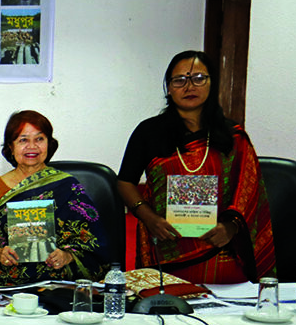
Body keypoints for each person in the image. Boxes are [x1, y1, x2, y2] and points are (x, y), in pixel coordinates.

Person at [117, 50, 275, 283]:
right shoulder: (148, 132)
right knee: (166, 302)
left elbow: (250, 194)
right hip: (166, 248)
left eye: (199, 78)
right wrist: (149, 218)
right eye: (179, 80)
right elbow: (125, 182)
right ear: (168, 88)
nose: (189, 86)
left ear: (212, 83)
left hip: (222, 249)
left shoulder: (233, 136)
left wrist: (230, 228)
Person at [0, 110, 110, 286]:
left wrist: (68, 256)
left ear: (49, 144)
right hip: (6, 280)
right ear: (11, 147)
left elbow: (93, 240)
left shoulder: (67, 186)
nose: (32, 146)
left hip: (58, 281)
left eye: (39, 139)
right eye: (23, 140)